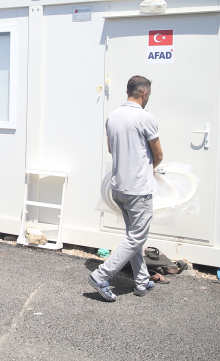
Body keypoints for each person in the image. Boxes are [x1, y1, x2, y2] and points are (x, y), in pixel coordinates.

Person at [88, 75, 164, 301]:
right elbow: (158, 154)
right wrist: (150, 167)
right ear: (144, 94)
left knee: (134, 236)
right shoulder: (146, 117)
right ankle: (101, 275)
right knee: (136, 237)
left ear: (127, 91)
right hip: (138, 188)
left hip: (119, 186)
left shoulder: (113, 117)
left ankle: (141, 282)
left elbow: (112, 149)